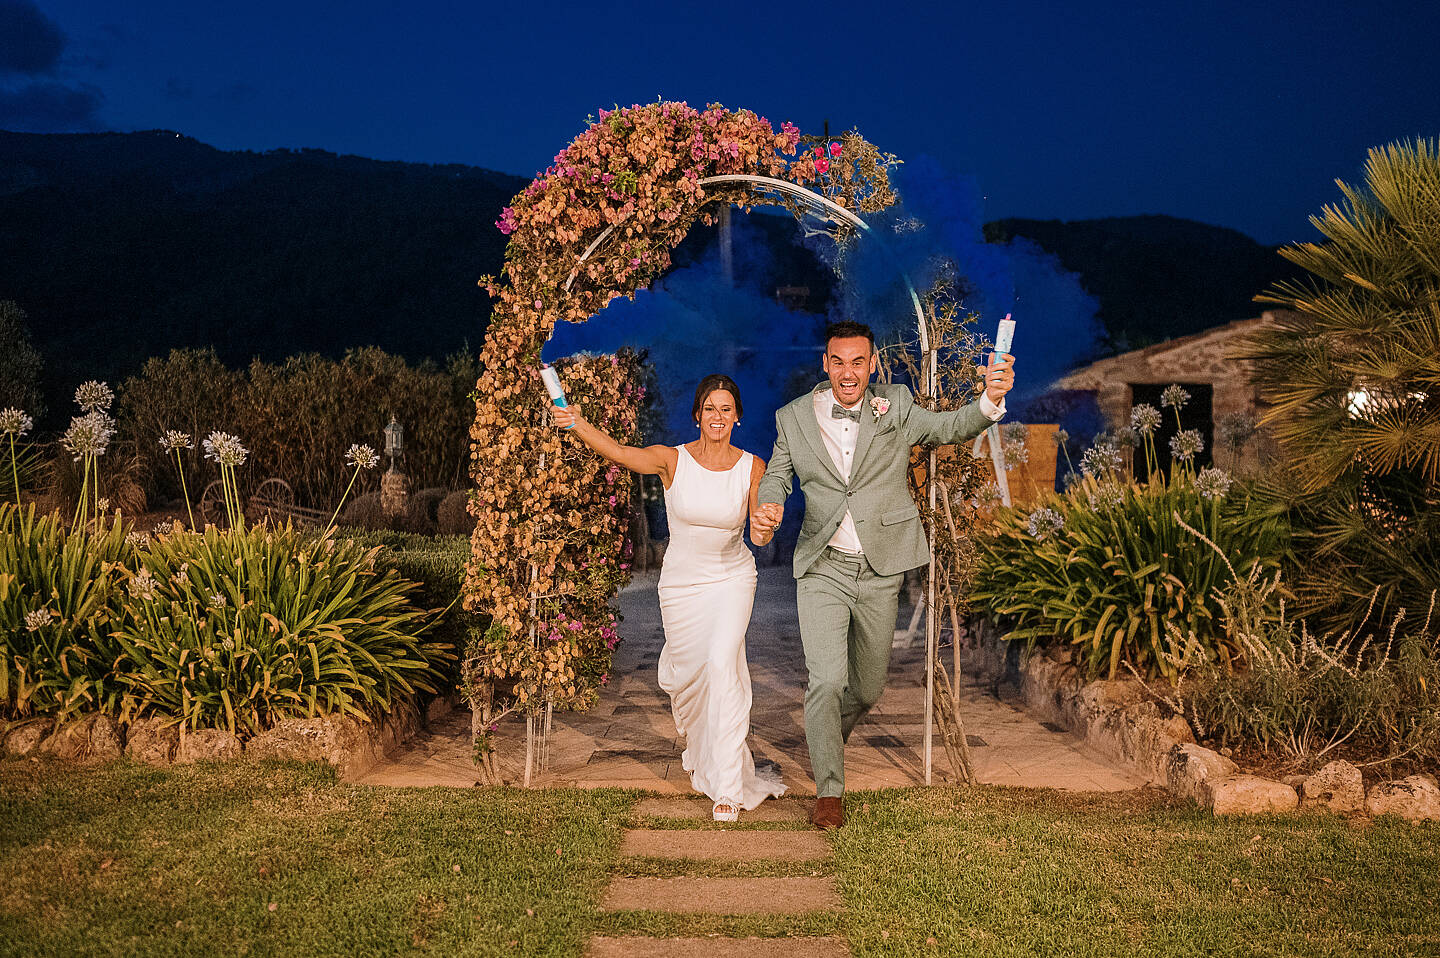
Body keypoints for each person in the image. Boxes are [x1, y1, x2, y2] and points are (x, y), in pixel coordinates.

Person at [752, 320, 1015, 829]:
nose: (848, 372)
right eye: (838, 361)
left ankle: (827, 738)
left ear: (872, 364)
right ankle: (830, 788)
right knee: (826, 681)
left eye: (858, 361)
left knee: (868, 689)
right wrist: (768, 505)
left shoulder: (893, 404)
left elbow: (946, 429)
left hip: (880, 567)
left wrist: (988, 400)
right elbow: (779, 475)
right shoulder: (794, 419)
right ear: (824, 364)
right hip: (823, 566)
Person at [553, 373, 785, 821]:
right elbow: (620, 453)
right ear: (698, 414)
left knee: (723, 665)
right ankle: (710, 757)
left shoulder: (752, 466)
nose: (718, 417)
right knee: (690, 677)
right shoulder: (671, 460)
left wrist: (764, 525)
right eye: (710, 409)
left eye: (726, 409)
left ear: (737, 417)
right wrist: (578, 424)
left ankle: (729, 787)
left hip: (732, 579)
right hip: (681, 585)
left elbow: (759, 525)